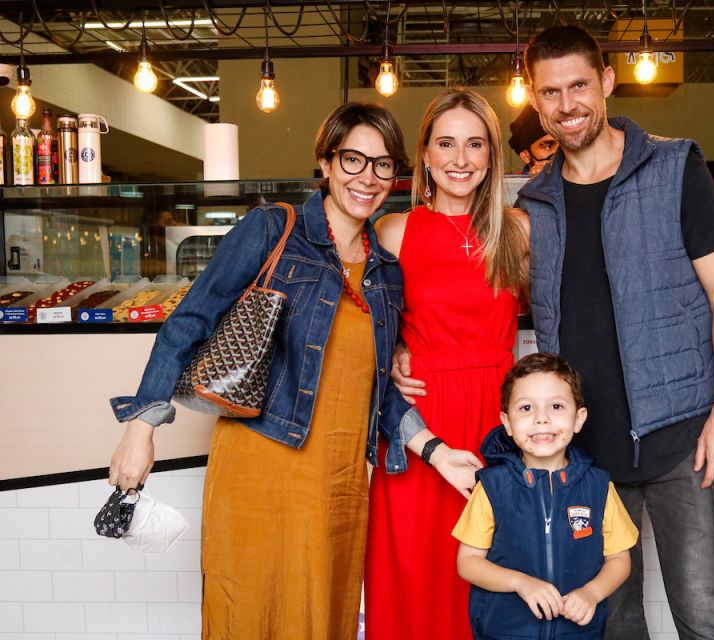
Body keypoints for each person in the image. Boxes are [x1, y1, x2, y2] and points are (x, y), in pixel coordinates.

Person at [107, 102, 478, 639]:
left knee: (322, 619)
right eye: (353, 160)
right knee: (250, 615)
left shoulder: (385, 273)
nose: (366, 178)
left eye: (381, 165)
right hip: (261, 468)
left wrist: (439, 453)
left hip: (342, 483)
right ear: (325, 163)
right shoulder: (273, 230)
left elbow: (379, 391)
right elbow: (188, 322)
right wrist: (140, 427)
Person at [517, 25, 714, 639]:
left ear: (607, 83)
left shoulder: (675, 167)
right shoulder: (534, 203)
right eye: (551, 93)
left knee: (702, 616)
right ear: (534, 100)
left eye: (579, 86)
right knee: (612, 623)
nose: (567, 106)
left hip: (683, 443)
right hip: (588, 456)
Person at [365, 88, 529, 640]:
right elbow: (363, 326)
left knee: (490, 574)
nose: (460, 159)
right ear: (426, 155)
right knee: (415, 574)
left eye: (475, 144)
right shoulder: (394, 231)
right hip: (420, 425)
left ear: (491, 156)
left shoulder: (518, 230)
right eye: (446, 144)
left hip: (496, 422)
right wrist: (389, 355)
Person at [454, 353, 638, 639]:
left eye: (556, 406)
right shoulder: (492, 487)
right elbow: (468, 562)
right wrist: (519, 582)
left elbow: (619, 560)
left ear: (578, 419)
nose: (541, 418)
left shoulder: (599, 487)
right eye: (526, 408)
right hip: (505, 631)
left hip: (578, 632)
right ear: (507, 422)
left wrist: (592, 593)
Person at [509, 104, 559, 176]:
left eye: (564, 145)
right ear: (525, 156)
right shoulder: (513, 186)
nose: (559, 152)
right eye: (548, 146)